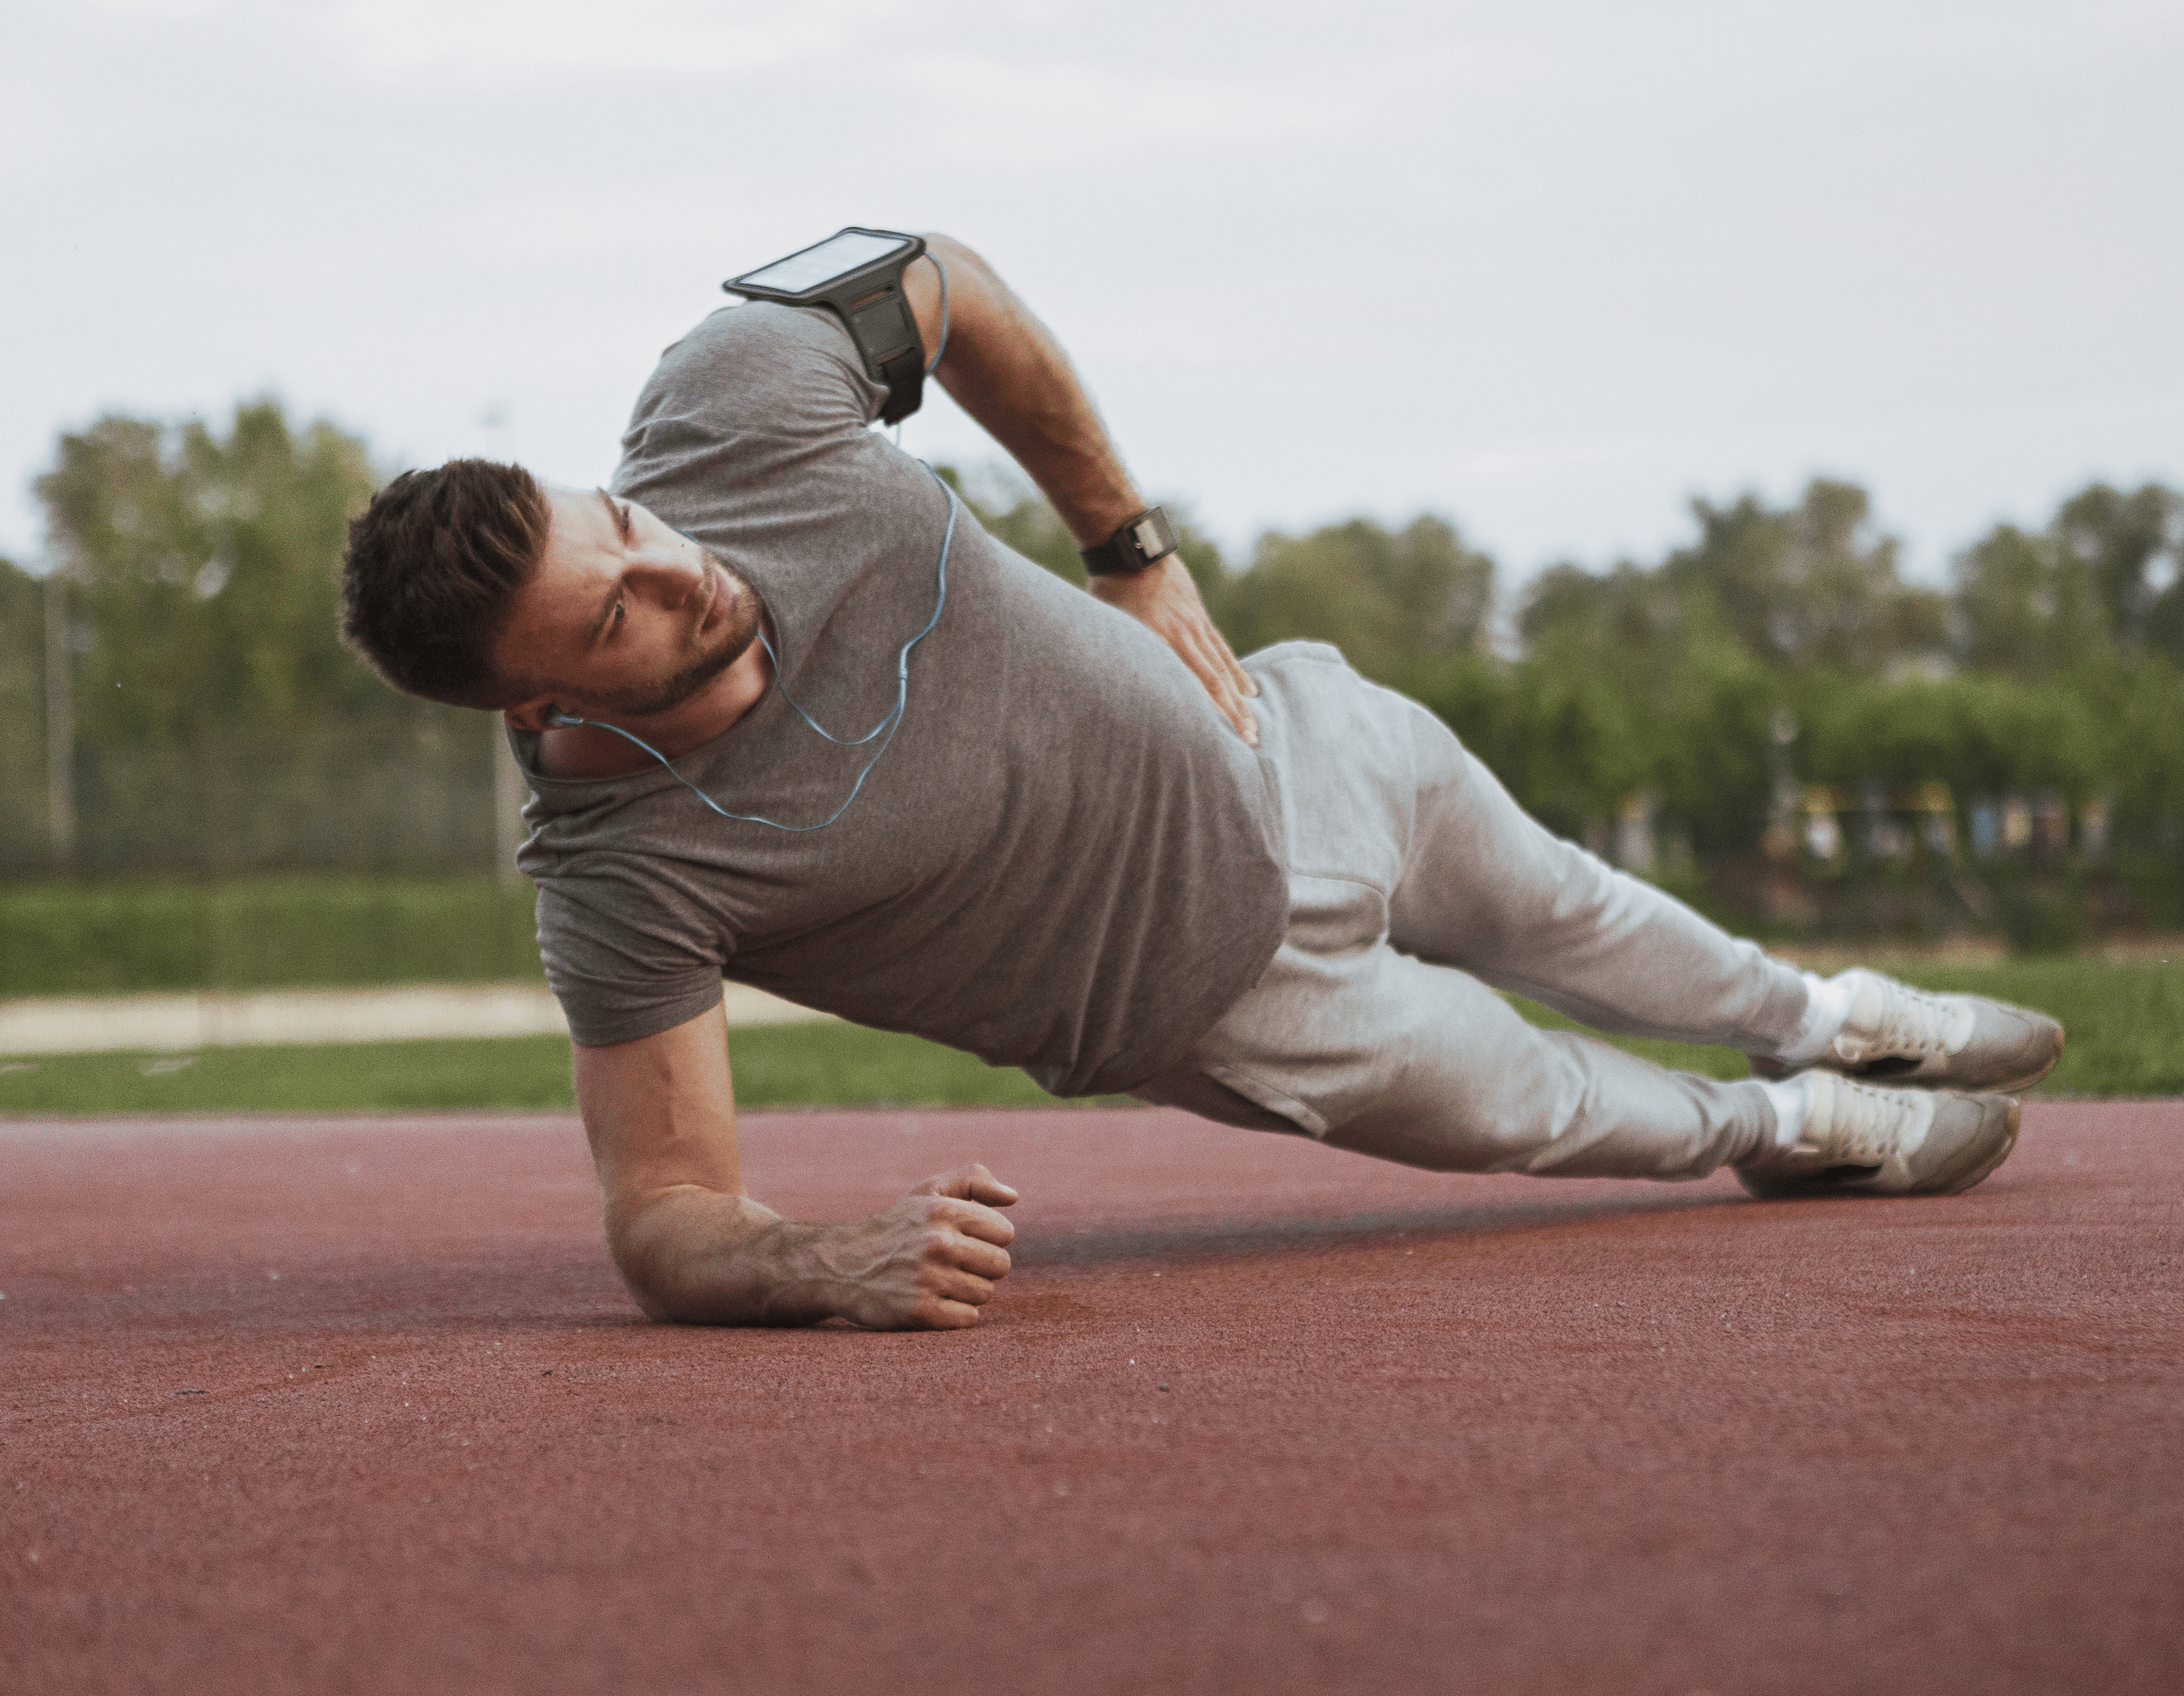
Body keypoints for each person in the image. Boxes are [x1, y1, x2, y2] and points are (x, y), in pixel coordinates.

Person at [338, 235, 2063, 1331]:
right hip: (1230, 997)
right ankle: (1793, 1128)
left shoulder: (726, 409)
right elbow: (666, 1219)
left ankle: (1825, 1013)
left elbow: (942, 275)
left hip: (1290, 737)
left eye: (621, 531)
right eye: (617, 614)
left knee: (1575, 906)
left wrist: (1131, 547)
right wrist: (812, 1263)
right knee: (1555, 1109)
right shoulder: (618, 874)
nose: (677, 575)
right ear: (542, 696)